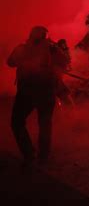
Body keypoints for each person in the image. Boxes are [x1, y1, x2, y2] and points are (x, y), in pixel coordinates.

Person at [7, 26, 67, 166]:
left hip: (27, 92)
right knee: (44, 124)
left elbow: (10, 62)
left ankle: (29, 153)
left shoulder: (23, 48)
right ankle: (43, 156)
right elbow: (64, 62)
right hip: (44, 91)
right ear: (45, 37)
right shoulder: (51, 48)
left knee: (17, 122)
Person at [56, 39, 74, 107]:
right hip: (55, 78)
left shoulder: (63, 51)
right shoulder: (58, 52)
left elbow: (67, 62)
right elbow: (65, 60)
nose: (65, 45)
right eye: (63, 44)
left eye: (65, 44)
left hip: (58, 76)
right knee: (65, 95)